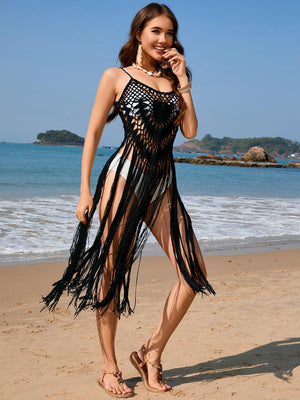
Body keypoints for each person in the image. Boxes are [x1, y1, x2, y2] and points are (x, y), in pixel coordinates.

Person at [42, 2, 215, 397]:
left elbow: (189, 130)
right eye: (156, 31)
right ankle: (109, 366)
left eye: (170, 33)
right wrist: (85, 190)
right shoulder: (115, 76)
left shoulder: (175, 82)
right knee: (111, 273)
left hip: (162, 185)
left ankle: (150, 353)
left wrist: (183, 79)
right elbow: (92, 136)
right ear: (139, 33)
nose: (164, 39)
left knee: (194, 273)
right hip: (123, 180)